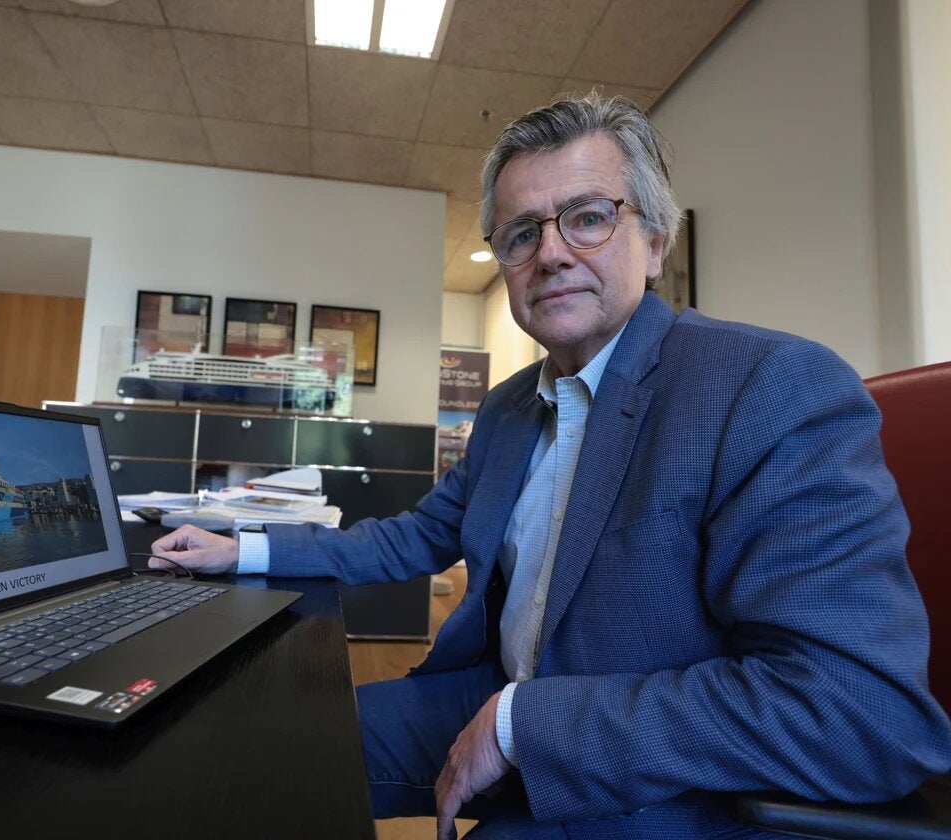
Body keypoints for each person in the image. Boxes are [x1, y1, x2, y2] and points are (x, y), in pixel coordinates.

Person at [149, 93, 951, 839]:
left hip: (652, 779)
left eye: (589, 218)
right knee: (248, 753)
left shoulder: (767, 386)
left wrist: (522, 728)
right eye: (522, 233)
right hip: (492, 692)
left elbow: (860, 712)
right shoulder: (506, 410)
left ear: (655, 242)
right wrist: (241, 549)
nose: (552, 253)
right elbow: (414, 539)